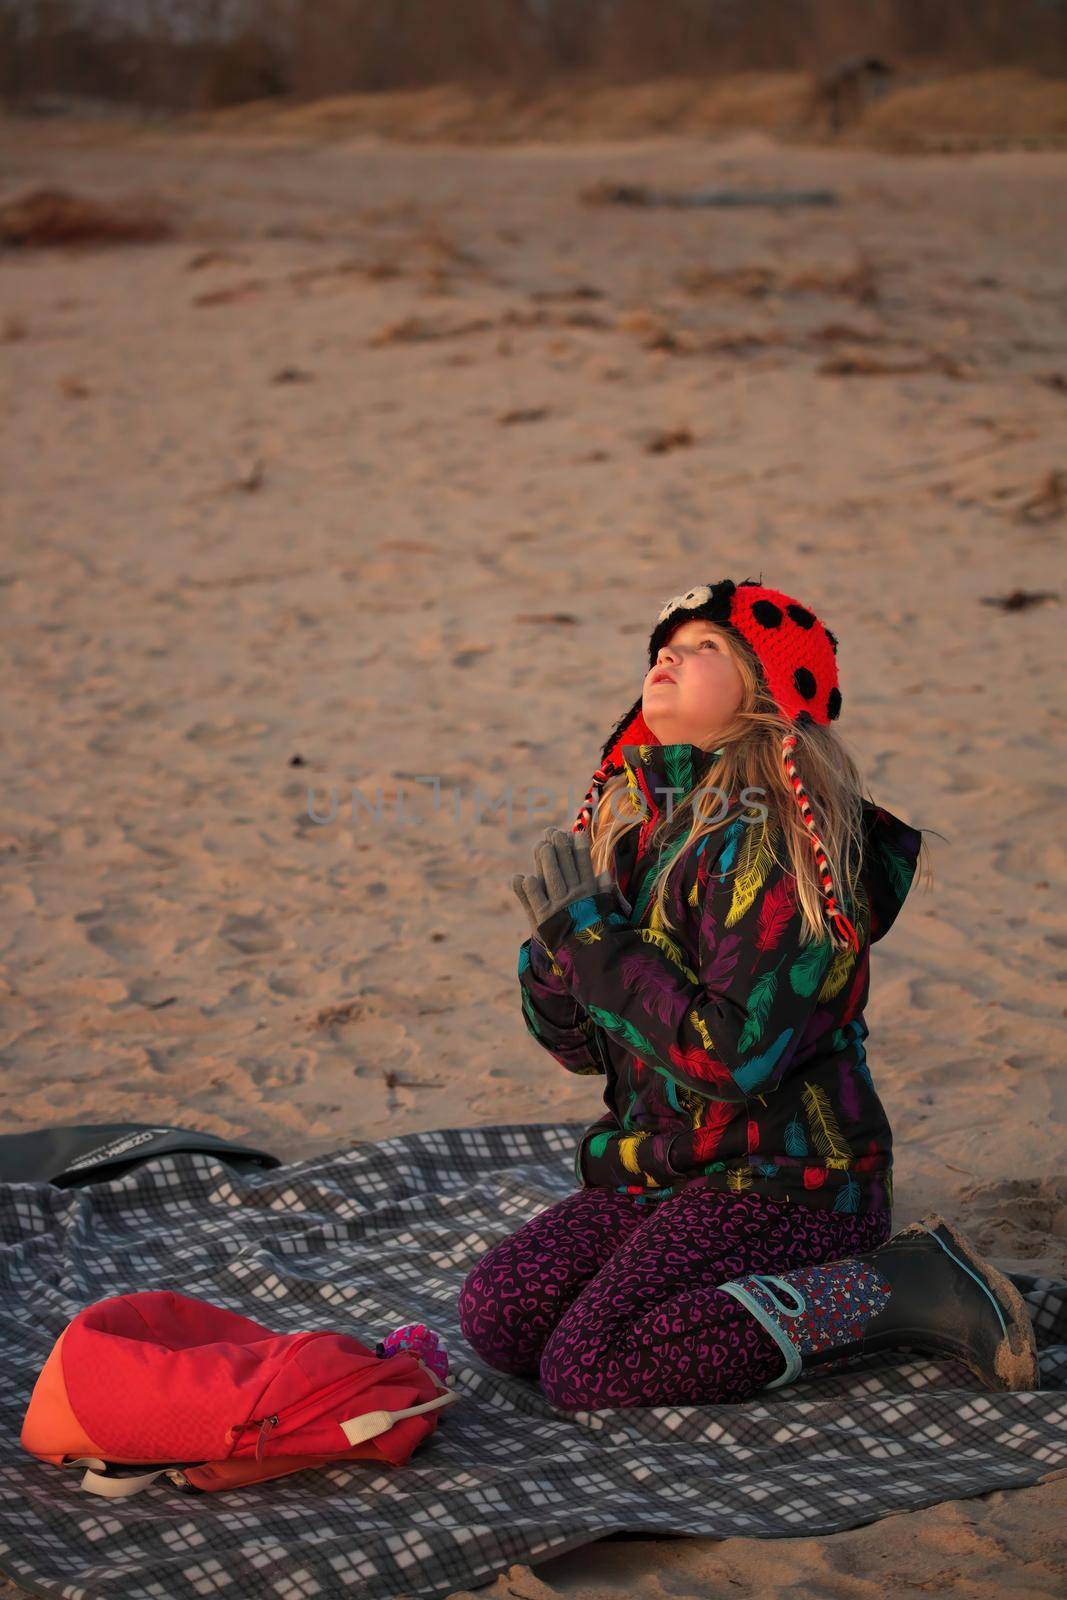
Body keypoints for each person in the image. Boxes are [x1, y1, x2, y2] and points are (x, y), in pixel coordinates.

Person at [457, 577, 1038, 1408]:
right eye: (666, 645)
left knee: (590, 1368)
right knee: (501, 1316)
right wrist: (559, 954)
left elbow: (733, 1059)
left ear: (765, 698)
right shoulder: (637, 827)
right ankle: (719, 1275)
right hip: (664, 1169)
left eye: (707, 648)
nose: (670, 653)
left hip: (788, 1180)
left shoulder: (774, 841)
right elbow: (584, 1051)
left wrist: (595, 943)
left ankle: (896, 1287)